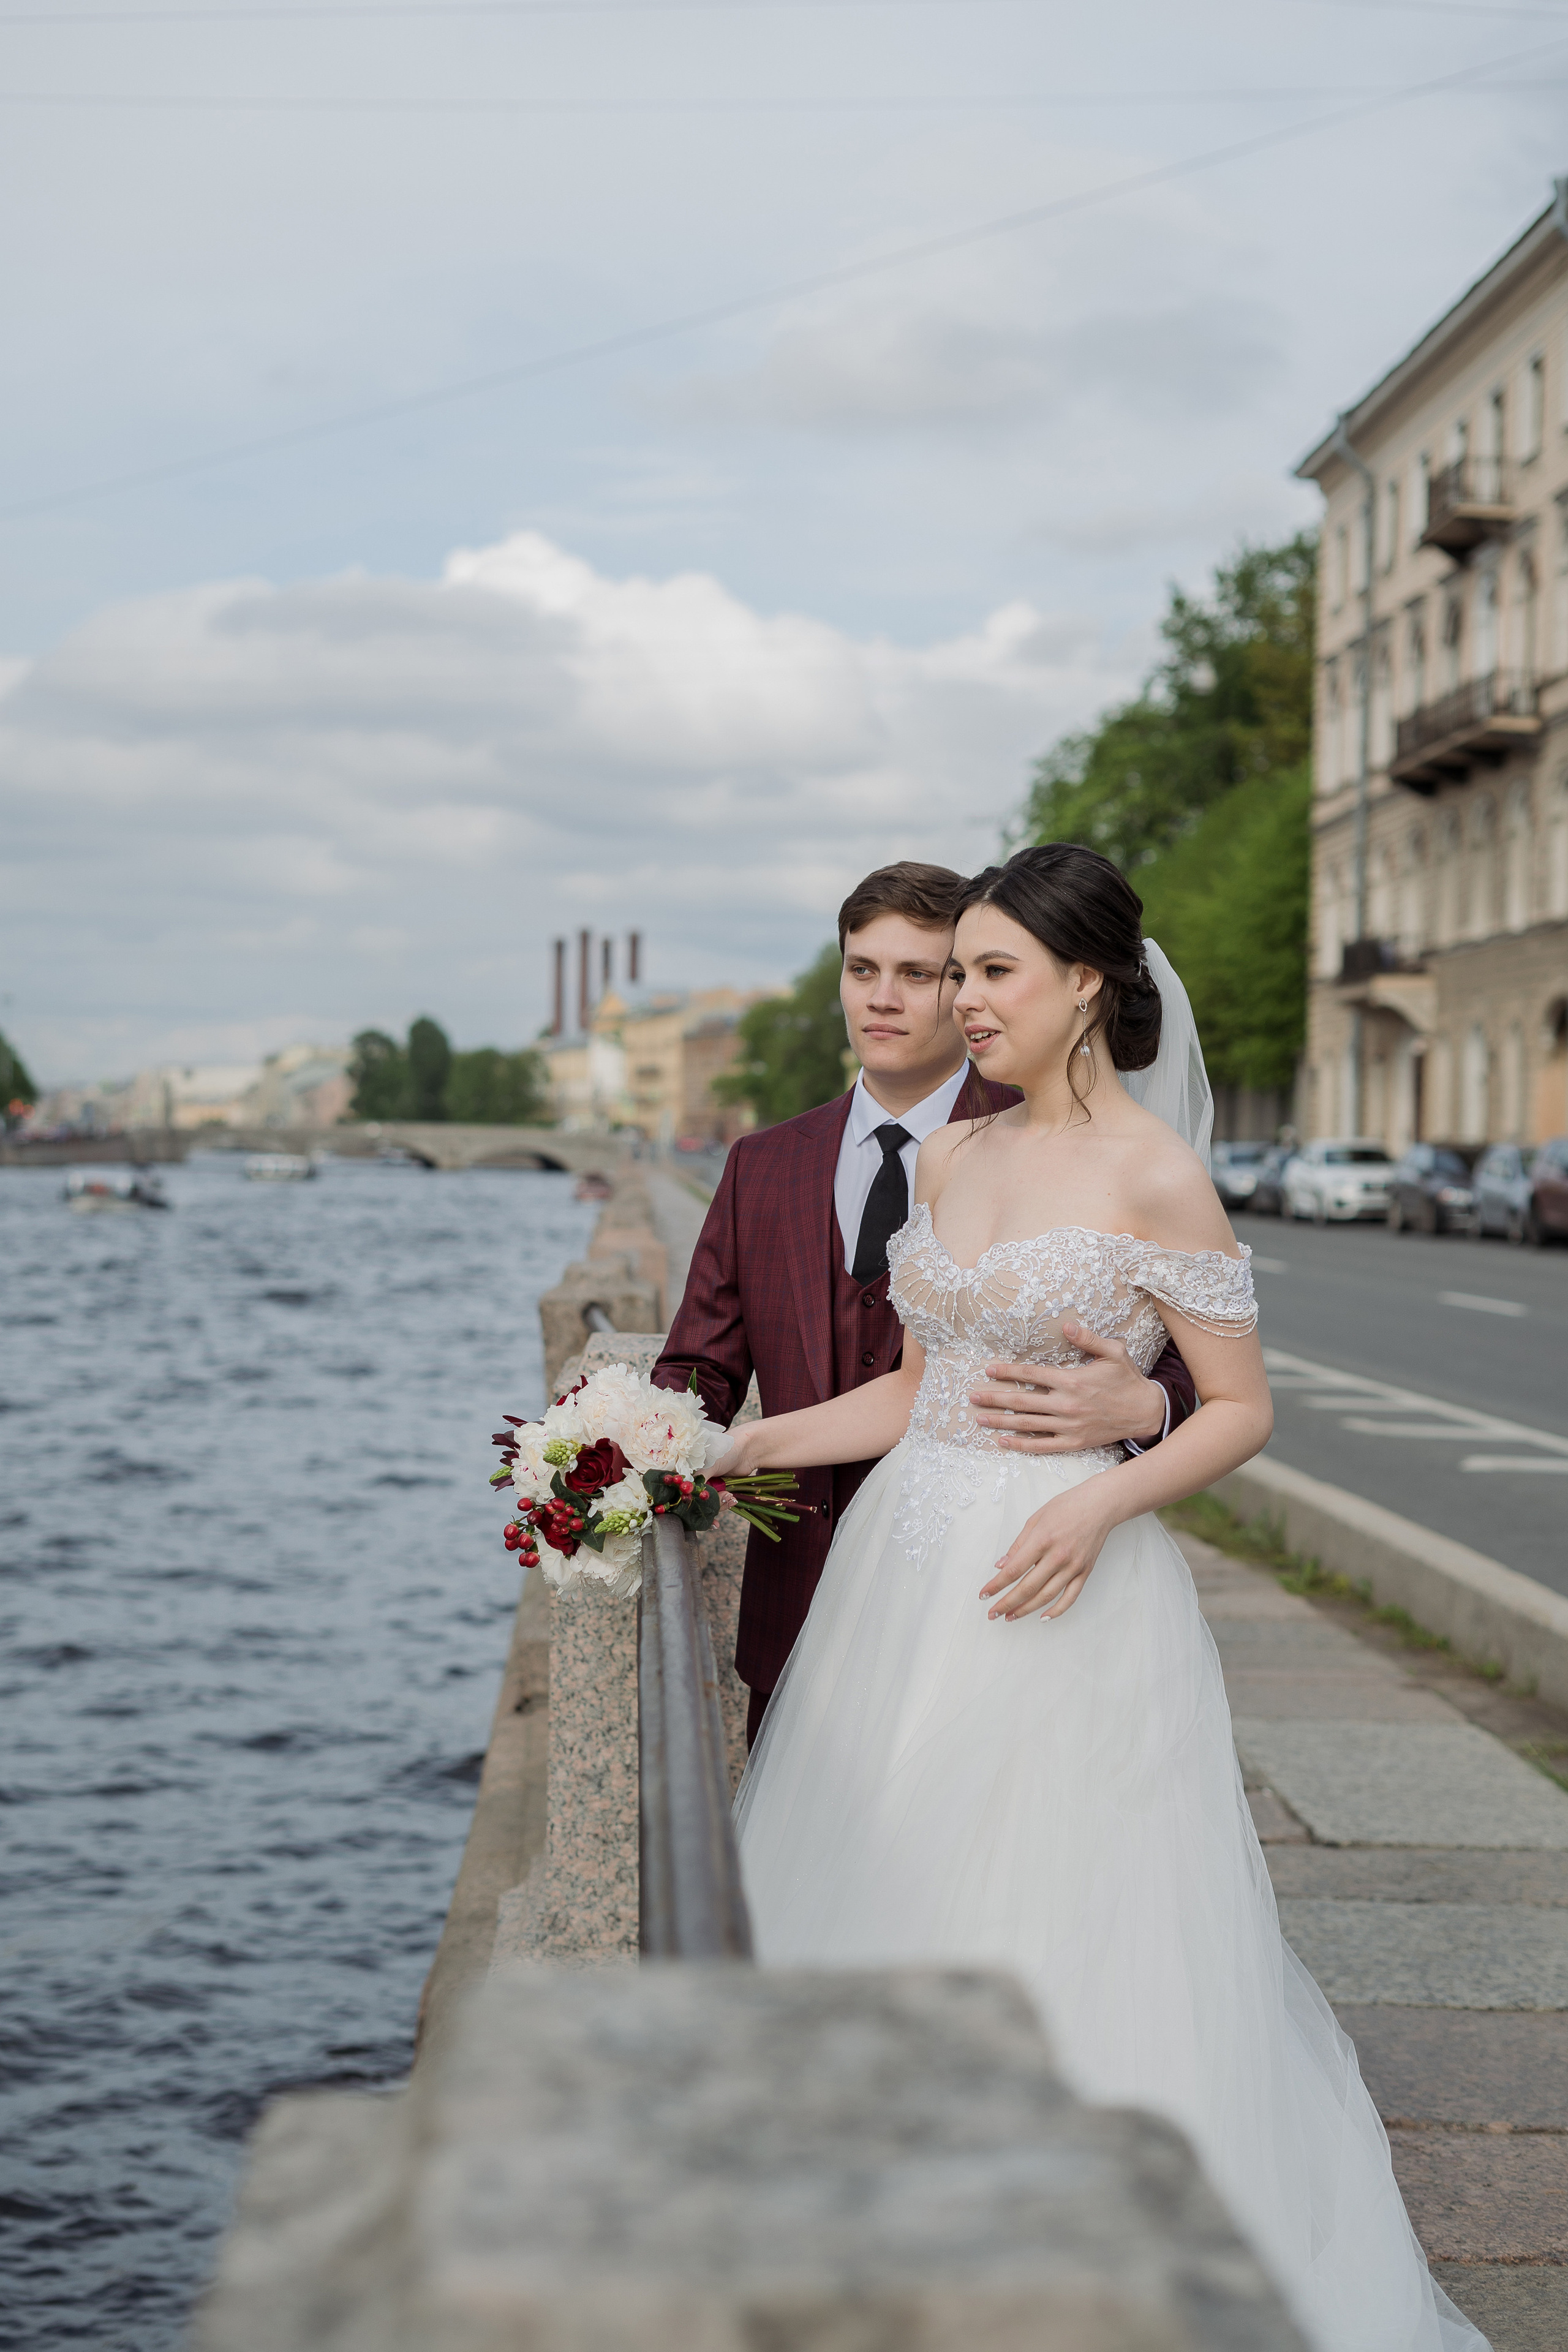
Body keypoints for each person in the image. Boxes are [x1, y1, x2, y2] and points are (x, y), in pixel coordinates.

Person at [714, 845, 1485, 2352]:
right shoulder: (953, 1159)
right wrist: (699, 1449)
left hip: (1057, 1577)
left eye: (990, 972)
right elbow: (901, 1397)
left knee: (1053, 1912)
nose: (959, 1000)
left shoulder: (1152, 1171)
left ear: (1084, 987)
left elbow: (1234, 1408)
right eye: (953, 972)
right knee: (880, 1879)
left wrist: (1102, 1489)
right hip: (900, 1580)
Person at [652, 859, 1196, 1746]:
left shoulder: (1084, 1144)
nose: (885, 999)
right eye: (863, 970)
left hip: (1004, 1577)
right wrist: (635, 1447)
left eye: (928, 974)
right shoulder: (764, 1164)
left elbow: (1197, 1362)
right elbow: (700, 1364)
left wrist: (1151, 1405)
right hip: (799, 1603)